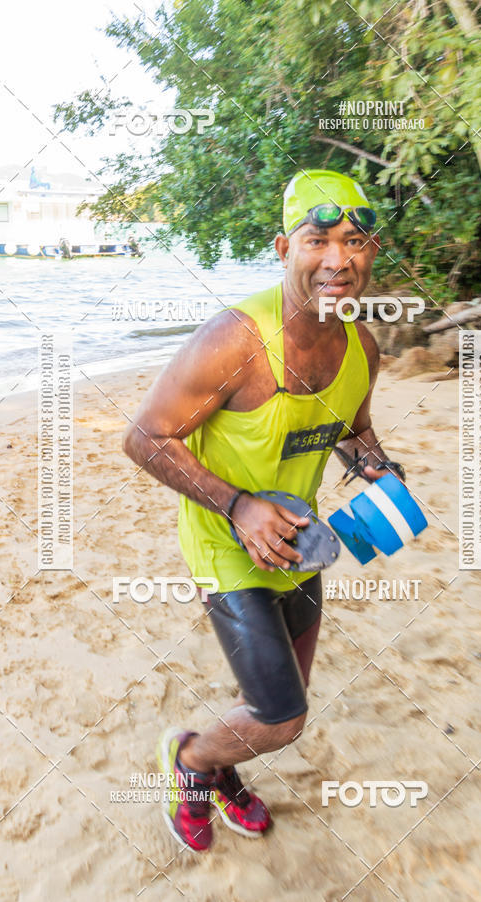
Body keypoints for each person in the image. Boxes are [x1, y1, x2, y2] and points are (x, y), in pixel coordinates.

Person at [123, 169, 405, 852]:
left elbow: (351, 427)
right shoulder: (235, 342)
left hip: (301, 541)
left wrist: (375, 468)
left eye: (356, 241)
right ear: (284, 249)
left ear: (372, 254)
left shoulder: (362, 347)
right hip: (227, 544)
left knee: (278, 701)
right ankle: (191, 760)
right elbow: (144, 437)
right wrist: (240, 506)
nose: (338, 260)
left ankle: (221, 773)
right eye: (318, 240)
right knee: (281, 718)